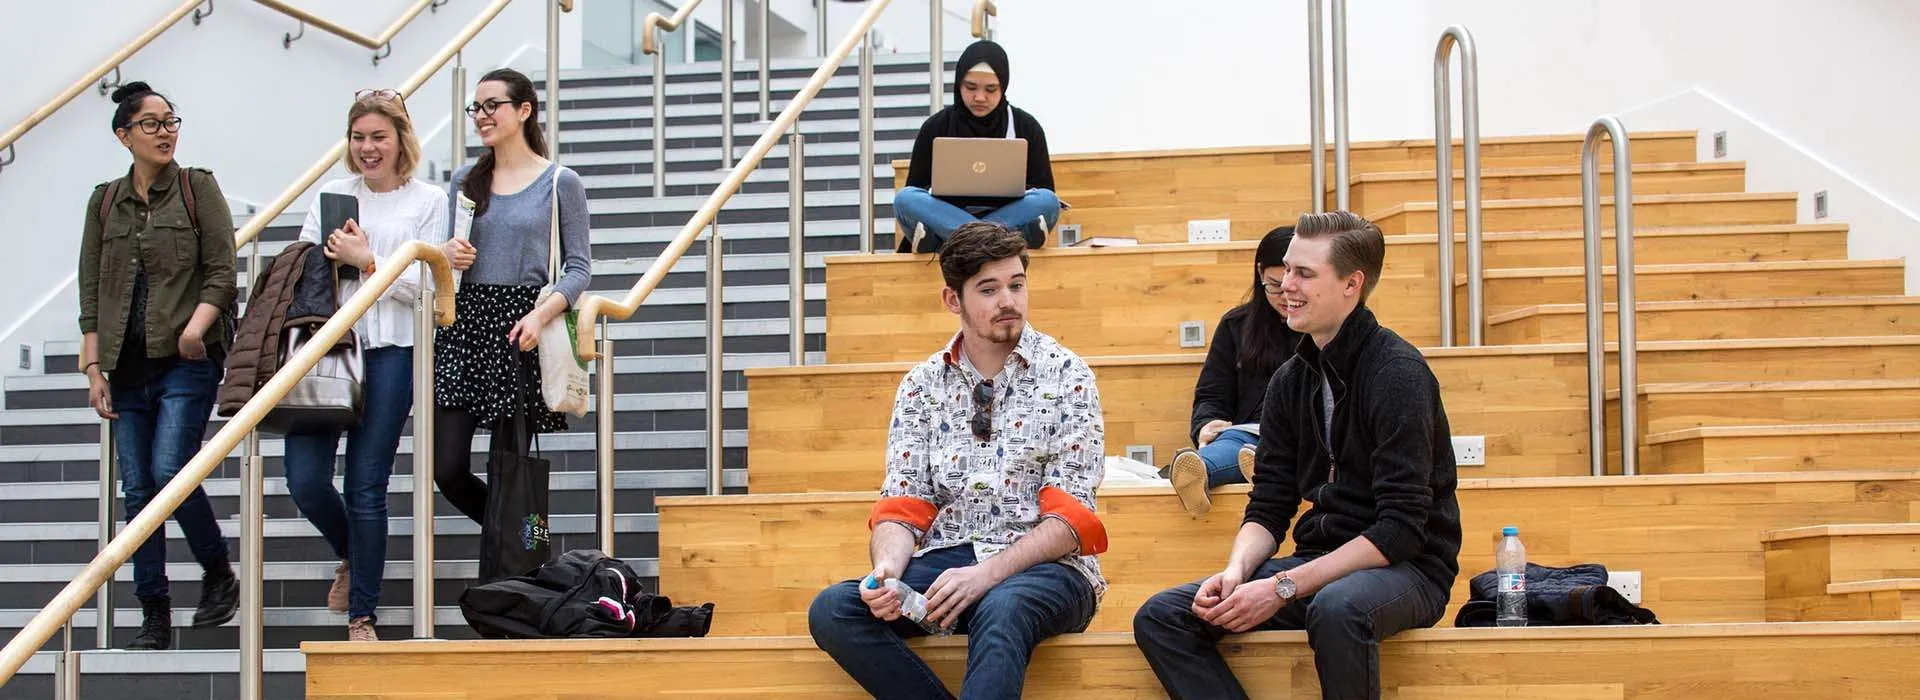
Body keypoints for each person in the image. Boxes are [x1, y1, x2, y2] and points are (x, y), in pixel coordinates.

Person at [1133, 211, 1463, 700]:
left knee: (1338, 608)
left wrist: (1281, 587)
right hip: (1318, 563)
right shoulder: (1290, 379)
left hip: (1408, 570)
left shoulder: (1398, 373)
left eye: (1304, 273)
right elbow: (1269, 506)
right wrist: (1236, 573)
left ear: (1352, 284)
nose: (1286, 285)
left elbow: (1399, 530)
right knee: (1163, 616)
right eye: (1286, 270)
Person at [808, 221, 1107, 699]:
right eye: (988, 289)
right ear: (954, 300)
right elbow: (904, 502)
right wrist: (886, 571)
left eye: (1016, 284)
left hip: (1049, 572)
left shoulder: (1069, 375)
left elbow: (1071, 519)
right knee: (834, 608)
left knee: (1002, 605)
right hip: (946, 565)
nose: (1008, 300)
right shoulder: (920, 385)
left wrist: (984, 575)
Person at [76, 81, 239, 650]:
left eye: (171, 121)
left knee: (172, 472)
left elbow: (222, 268)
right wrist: (94, 367)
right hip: (124, 368)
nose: (165, 131)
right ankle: (155, 614)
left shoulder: (197, 188)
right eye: (151, 123)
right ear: (124, 136)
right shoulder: (103, 202)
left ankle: (217, 570)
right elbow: (91, 290)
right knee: (137, 491)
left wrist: (197, 326)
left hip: (186, 359)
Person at [284, 89, 448, 641]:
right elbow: (304, 275)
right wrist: (330, 261)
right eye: (359, 138)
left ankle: (362, 615)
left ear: (402, 139)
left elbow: (426, 288)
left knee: (366, 485)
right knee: (305, 480)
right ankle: (352, 552)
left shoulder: (428, 200)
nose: (367, 148)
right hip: (327, 350)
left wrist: (367, 261)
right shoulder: (332, 194)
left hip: (392, 354)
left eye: (379, 136)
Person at [433, 68, 591, 525]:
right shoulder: (465, 178)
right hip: (464, 325)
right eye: (475, 108)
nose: (481, 116)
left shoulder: (561, 182)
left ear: (524, 110)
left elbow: (579, 267)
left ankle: (509, 574)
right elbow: (447, 256)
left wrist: (541, 316)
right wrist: (446, 255)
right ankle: (523, 549)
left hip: (520, 326)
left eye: (491, 106)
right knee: (448, 468)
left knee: (508, 469)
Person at [1168, 226, 1303, 517]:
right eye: (1273, 286)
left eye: (1291, 285)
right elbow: (1212, 393)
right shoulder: (1237, 326)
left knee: (1266, 449)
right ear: (1259, 274)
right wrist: (1206, 424)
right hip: (1247, 436)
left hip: (1305, 436)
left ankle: (1259, 467)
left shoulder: (1323, 326)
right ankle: (1202, 469)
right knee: (1231, 444)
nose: (1284, 296)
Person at [894, 40, 1059, 253]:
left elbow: (1045, 191)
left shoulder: (1025, 126)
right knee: (905, 199)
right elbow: (916, 189)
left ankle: (956, 242)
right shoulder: (936, 126)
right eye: (970, 87)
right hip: (947, 215)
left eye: (991, 89)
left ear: (1004, 86)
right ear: (958, 84)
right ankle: (998, 242)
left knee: (1047, 201)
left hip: (1009, 215)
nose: (980, 97)